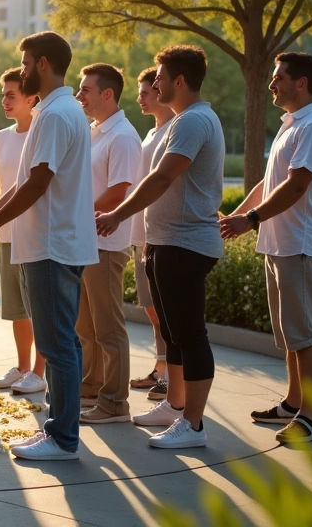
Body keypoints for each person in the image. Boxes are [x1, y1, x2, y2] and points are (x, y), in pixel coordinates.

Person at [0, 31, 98, 461]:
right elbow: (23, 182)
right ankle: (61, 431)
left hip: (51, 245)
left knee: (57, 346)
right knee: (63, 343)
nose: (21, 72)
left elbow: (38, 183)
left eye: (24, 64)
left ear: (42, 63)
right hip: (53, 243)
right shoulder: (56, 111)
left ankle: (62, 438)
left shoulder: (55, 115)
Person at [95, 45, 226, 450]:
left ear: (179, 82)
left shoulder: (194, 121)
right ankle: (175, 405)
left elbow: (162, 177)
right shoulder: (182, 121)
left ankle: (193, 425)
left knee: (190, 334)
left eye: (160, 78)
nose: (155, 83)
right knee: (172, 332)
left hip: (185, 242)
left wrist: (118, 214)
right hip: (165, 241)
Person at [219, 52, 312, 444]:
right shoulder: (293, 125)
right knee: (290, 334)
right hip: (282, 244)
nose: (272, 84)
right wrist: (237, 217)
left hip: (302, 245)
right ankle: (293, 403)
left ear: (301, 83)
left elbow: (298, 184)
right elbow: (270, 184)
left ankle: (311, 419)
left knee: (304, 333)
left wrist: (251, 220)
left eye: (278, 78)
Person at [75, 63, 142, 424]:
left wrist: (77, 215)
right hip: (86, 241)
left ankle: (115, 402)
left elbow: (119, 192)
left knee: (108, 327)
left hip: (106, 242)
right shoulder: (94, 132)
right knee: (86, 326)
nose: (79, 96)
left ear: (108, 94)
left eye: (85, 90)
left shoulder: (123, 137)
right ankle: (93, 385)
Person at [0, 68, 47, 395]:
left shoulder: (43, 132)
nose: (5, 101)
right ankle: (23, 367)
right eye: (3, 95)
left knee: (38, 308)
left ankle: (39, 372)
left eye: (11, 95)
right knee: (16, 308)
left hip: (35, 233)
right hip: (7, 233)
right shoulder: (1, 137)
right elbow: (1, 189)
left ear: (30, 98)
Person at [128, 67, 175, 401]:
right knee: (151, 307)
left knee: (164, 311)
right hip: (141, 232)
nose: (140, 98)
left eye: (146, 92)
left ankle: (172, 376)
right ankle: (161, 368)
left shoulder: (174, 130)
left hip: (160, 234)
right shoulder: (150, 133)